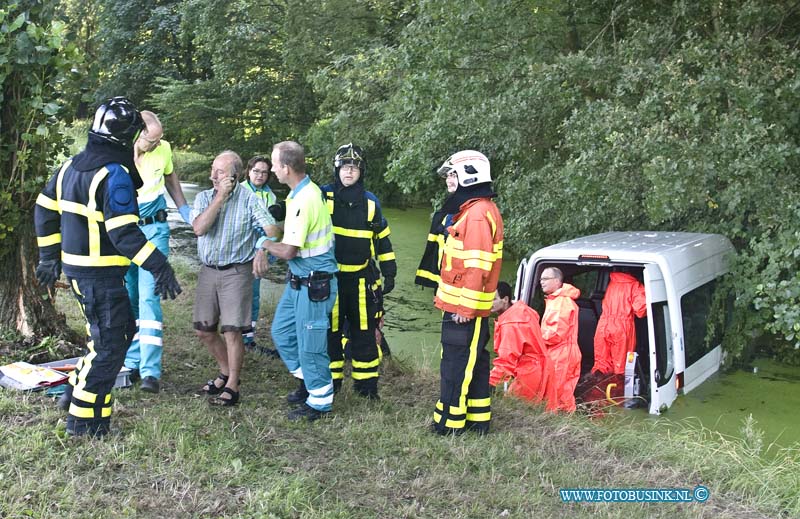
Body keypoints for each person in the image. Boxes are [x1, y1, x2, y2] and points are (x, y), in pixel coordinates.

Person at [34, 97, 182, 437]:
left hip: (79, 273)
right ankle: (84, 423)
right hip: (100, 275)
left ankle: (76, 396)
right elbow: (124, 234)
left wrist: (49, 257)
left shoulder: (71, 166)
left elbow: (43, 209)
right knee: (110, 346)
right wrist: (159, 266)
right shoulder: (114, 174)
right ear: (126, 138)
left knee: (107, 338)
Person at [254, 141, 338, 421]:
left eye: (275, 165)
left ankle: (320, 403)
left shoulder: (305, 199)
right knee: (282, 333)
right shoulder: (299, 194)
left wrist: (264, 244)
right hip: (298, 281)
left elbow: (289, 250)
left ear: (286, 168)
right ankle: (308, 382)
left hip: (315, 285)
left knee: (311, 345)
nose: (273, 170)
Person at [191, 151, 278, 406]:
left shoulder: (250, 199)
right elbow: (198, 228)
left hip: (237, 272)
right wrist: (220, 196)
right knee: (203, 330)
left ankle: (233, 384)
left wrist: (262, 247)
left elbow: (273, 229)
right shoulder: (204, 197)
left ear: (236, 176)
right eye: (213, 170)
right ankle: (225, 371)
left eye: (220, 172)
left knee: (232, 331)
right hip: (208, 270)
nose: (213, 176)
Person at [431, 150, 503, 436]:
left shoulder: (475, 215)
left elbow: (477, 267)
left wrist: (465, 309)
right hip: (463, 305)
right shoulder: (475, 210)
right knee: (473, 361)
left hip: (463, 309)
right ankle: (477, 420)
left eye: (452, 174)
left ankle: (449, 425)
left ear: (468, 176)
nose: (448, 180)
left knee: (456, 365)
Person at [123, 110, 192, 394]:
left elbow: (171, 176)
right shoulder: (120, 151)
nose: (155, 145)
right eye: (150, 140)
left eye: (158, 140)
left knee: (150, 297)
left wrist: (185, 209)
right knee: (129, 297)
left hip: (155, 228)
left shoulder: (163, 148)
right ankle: (131, 362)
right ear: (137, 134)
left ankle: (150, 371)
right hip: (125, 231)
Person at [321, 143, 396, 399]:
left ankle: (366, 388)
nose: (349, 173)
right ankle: (331, 385)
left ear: (361, 171)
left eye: (353, 168)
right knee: (330, 333)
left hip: (361, 280)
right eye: (344, 167)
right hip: (331, 279)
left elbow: (382, 240)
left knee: (364, 334)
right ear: (337, 169)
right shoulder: (325, 197)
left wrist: (390, 271)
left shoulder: (371, 203)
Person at [490, 282, 558, 411]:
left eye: (493, 299)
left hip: (528, 372)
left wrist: (491, 382)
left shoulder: (512, 323)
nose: (489, 303)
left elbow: (507, 359)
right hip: (541, 367)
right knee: (543, 414)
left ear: (505, 299)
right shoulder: (522, 311)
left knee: (517, 412)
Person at [240, 155, 280, 356]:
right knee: (241, 295)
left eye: (264, 172)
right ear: (248, 171)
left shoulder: (270, 196)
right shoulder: (240, 191)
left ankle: (248, 338)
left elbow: (273, 226)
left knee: (254, 296)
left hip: (261, 251)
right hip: (241, 252)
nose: (260, 175)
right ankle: (237, 336)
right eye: (256, 171)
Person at [539, 267, 582, 412]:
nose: (541, 282)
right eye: (541, 279)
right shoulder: (557, 300)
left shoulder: (561, 303)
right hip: (563, 352)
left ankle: (554, 424)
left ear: (557, 281)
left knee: (555, 392)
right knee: (563, 393)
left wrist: (535, 338)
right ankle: (565, 425)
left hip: (561, 353)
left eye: (545, 279)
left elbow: (555, 334)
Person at [591, 269, 647, 376]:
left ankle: (598, 386)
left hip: (603, 325)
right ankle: (618, 389)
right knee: (620, 365)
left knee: (601, 364)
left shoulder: (612, 282)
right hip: (622, 327)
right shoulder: (635, 286)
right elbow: (641, 310)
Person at [415, 167, 458, 288]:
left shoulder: (469, 210)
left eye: (453, 176)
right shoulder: (450, 206)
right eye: (448, 176)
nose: (449, 180)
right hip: (443, 279)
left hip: (455, 283)